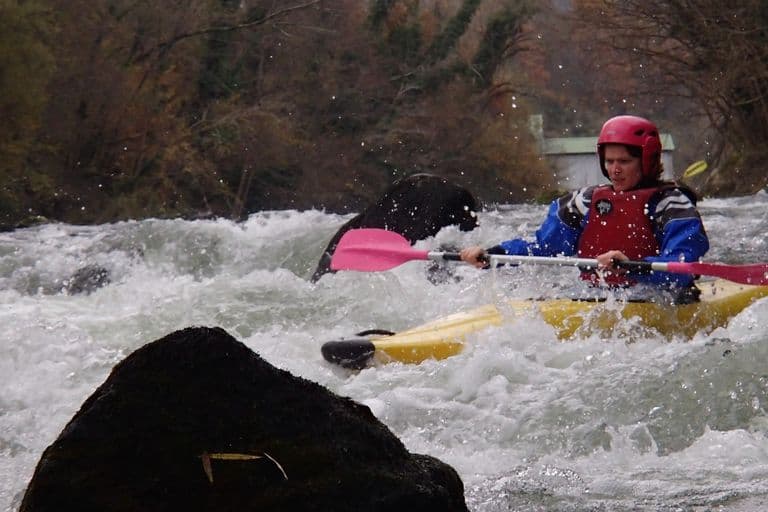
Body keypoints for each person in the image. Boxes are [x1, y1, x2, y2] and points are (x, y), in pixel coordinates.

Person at [460, 115, 710, 302]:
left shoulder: (671, 205)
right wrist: (493, 254)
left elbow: (682, 263)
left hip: (663, 299)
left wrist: (632, 264)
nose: (615, 170)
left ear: (646, 161)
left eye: (624, 161)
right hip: (598, 296)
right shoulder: (586, 202)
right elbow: (543, 247)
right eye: (609, 161)